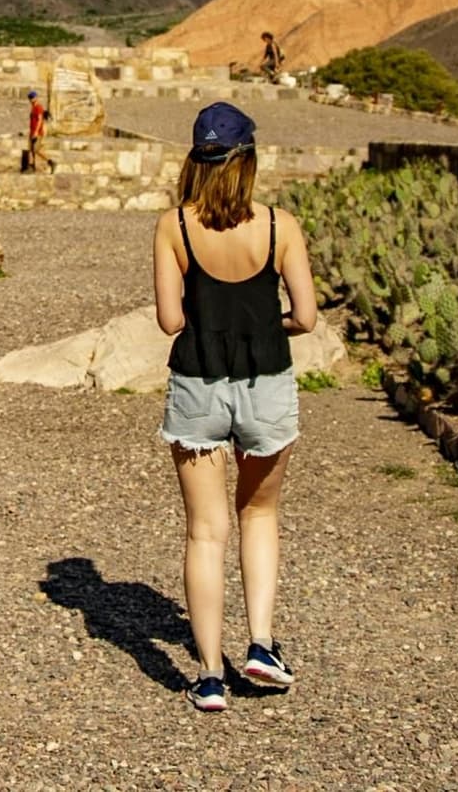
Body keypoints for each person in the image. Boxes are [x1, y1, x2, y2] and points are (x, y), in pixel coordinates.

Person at [152, 101, 316, 712]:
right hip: (265, 380)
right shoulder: (280, 226)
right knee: (259, 515)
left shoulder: (174, 226)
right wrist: (261, 324)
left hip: (197, 381)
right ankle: (262, 644)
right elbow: (305, 315)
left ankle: (211, 675)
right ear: (248, 160)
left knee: (204, 531)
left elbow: (171, 319)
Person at [27, 89, 54, 172]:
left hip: (37, 133)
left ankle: (50, 161)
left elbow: (39, 120)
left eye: (32, 97)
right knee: (31, 150)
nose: (31, 99)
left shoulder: (38, 107)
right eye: (30, 97)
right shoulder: (33, 107)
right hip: (32, 132)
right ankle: (31, 167)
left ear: (36, 97)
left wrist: (36, 132)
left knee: (36, 150)